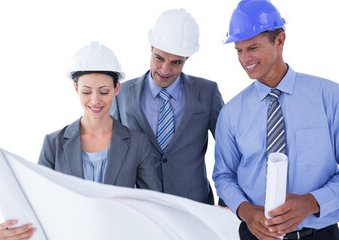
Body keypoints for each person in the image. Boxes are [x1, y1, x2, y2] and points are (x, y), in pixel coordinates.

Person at [0, 42, 162, 240]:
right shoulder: (54, 143)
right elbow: (38, 206)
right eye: (86, 92)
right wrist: (10, 232)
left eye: (103, 91)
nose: (95, 100)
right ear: (75, 88)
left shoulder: (138, 144)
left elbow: (155, 209)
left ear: (116, 88)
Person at [213, 0, 339, 239]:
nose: (244, 58)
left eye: (253, 48)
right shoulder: (232, 113)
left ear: (280, 41)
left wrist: (312, 202)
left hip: (319, 233)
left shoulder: (329, 98)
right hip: (254, 234)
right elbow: (223, 175)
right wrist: (246, 211)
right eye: (239, 50)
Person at [111, 8, 224, 205]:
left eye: (176, 62)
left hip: (196, 205)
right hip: (141, 206)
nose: (165, 70)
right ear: (151, 48)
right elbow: (111, 154)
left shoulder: (207, 92)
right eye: (159, 58)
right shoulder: (122, 94)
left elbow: (229, 151)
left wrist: (228, 201)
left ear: (187, 58)